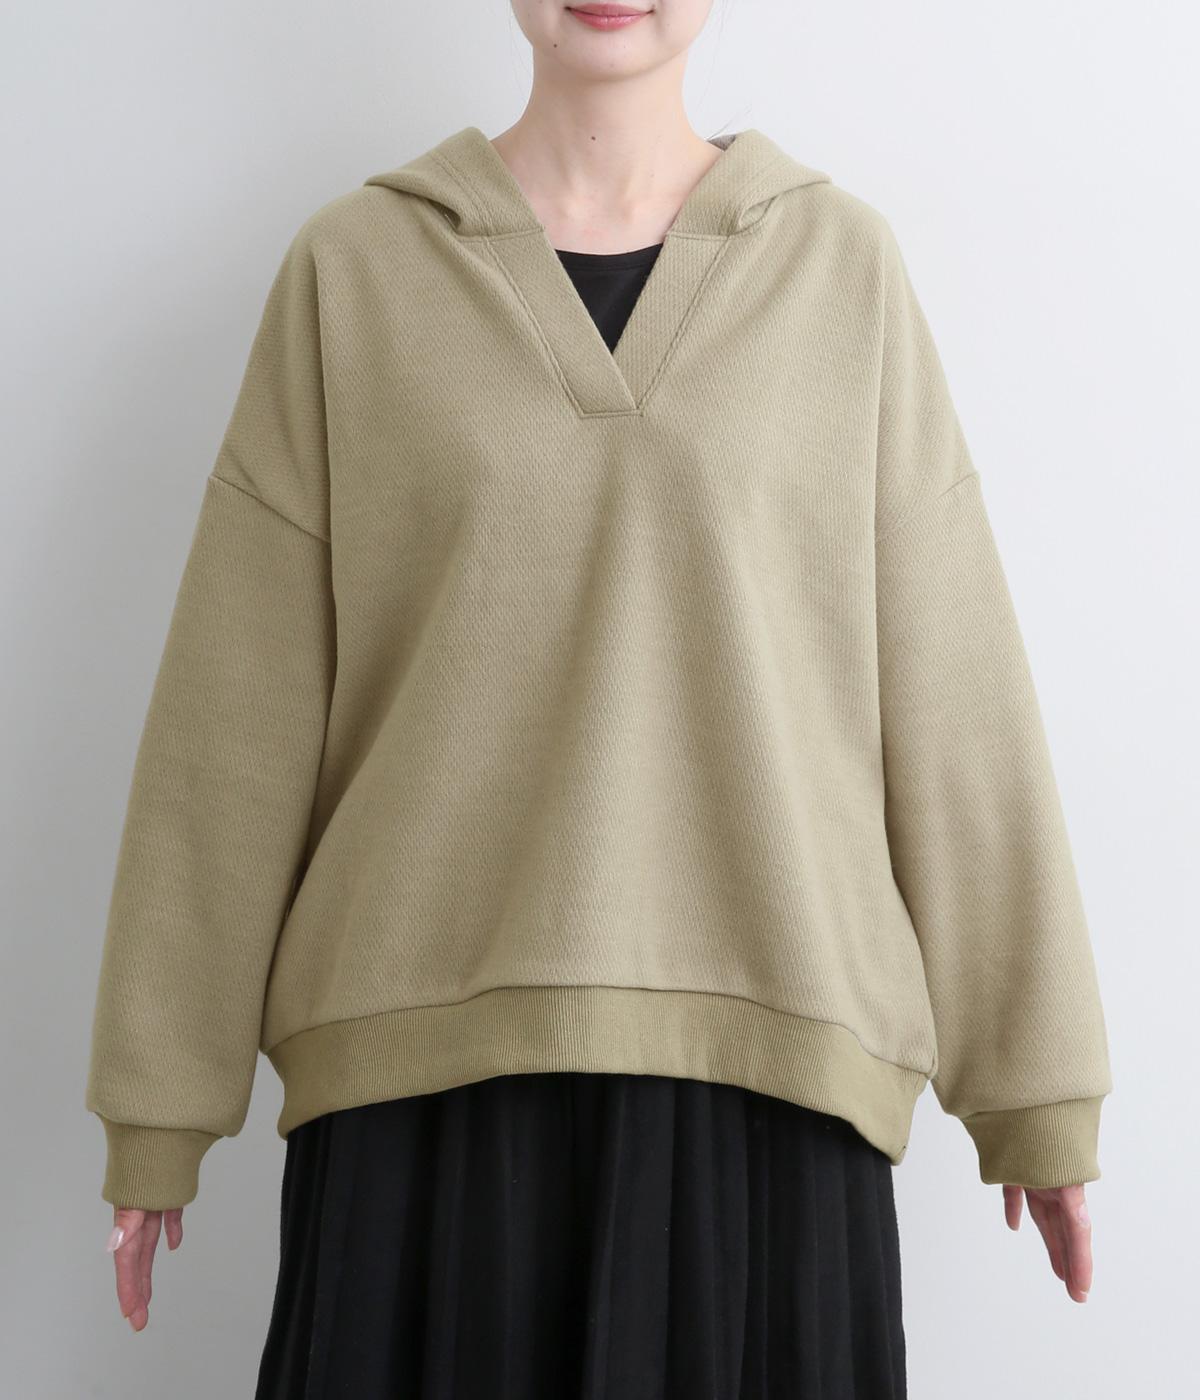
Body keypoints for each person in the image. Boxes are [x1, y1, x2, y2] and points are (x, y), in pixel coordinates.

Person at [85, 1, 1113, 1394]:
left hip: (775, 1095)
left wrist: (1034, 1089)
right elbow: (233, 713)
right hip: (417, 1105)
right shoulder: (356, 271)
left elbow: (955, 688)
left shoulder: (841, 272)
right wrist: (160, 1101)